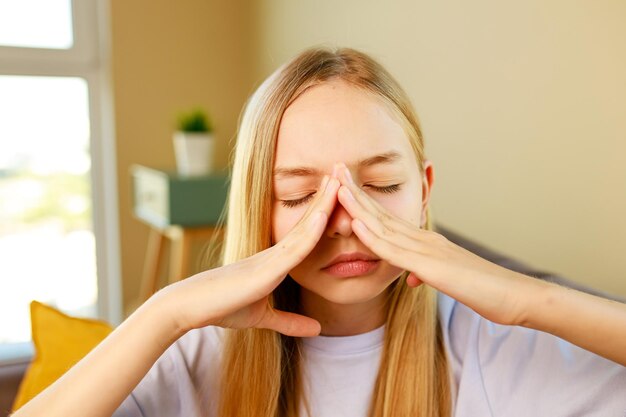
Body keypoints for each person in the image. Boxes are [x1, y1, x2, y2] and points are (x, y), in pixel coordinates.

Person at [12, 46, 626, 417]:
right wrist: (164, 313)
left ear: (425, 191)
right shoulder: (197, 354)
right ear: (260, 206)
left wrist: (530, 300)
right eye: (300, 196)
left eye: (382, 186)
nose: (345, 224)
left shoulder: (491, 351)